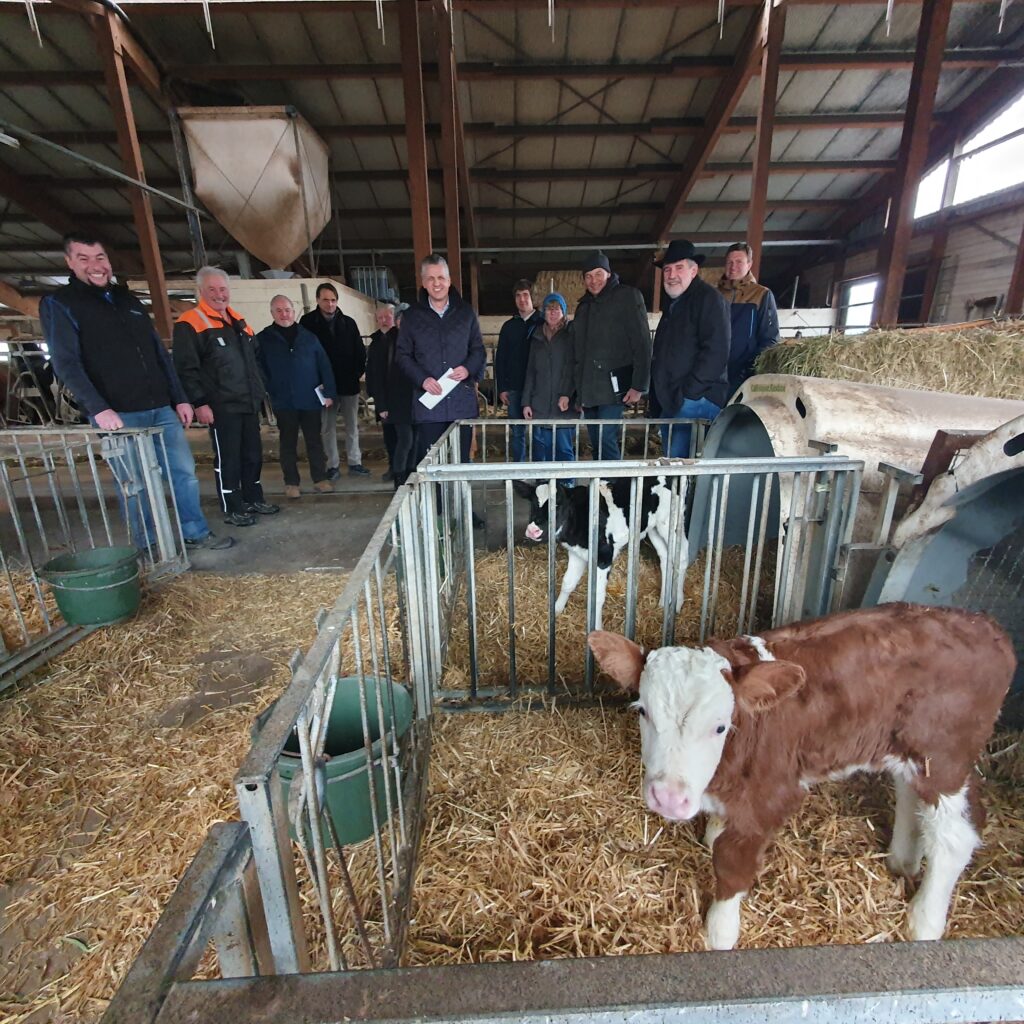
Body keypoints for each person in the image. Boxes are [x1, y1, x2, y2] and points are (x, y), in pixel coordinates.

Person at [40, 234, 232, 550]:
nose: (95, 266)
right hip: (118, 412)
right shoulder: (61, 304)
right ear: (69, 262)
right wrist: (98, 408)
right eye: (84, 258)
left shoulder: (127, 300)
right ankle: (148, 544)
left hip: (160, 405)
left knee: (184, 472)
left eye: (99, 257)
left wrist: (179, 397)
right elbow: (65, 362)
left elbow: (158, 352)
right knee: (136, 483)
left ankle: (194, 531)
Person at [173, 267, 278, 528]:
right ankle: (231, 505)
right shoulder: (191, 323)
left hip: (248, 400)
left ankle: (253, 497)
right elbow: (186, 367)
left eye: (223, 289)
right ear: (200, 292)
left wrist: (260, 387)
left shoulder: (239, 321)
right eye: (212, 290)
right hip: (221, 405)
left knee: (252, 453)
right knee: (228, 456)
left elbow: (254, 359)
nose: (219, 295)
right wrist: (199, 402)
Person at [396, 253, 485, 468]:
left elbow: (478, 350)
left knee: (461, 464)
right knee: (433, 465)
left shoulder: (465, 313)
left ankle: (461, 502)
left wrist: (467, 368)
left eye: (441, 278)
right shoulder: (412, 317)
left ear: (449, 280)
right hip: (430, 407)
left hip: (461, 403)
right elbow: (402, 355)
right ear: (424, 283)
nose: (437, 283)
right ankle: (437, 503)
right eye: (431, 278)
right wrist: (422, 380)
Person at [560, 250, 651, 460]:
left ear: (608, 274)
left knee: (605, 438)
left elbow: (643, 343)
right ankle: (601, 488)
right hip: (589, 389)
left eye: (598, 274)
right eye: (588, 276)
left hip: (614, 387)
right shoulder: (584, 307)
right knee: (595, 438)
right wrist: (574, 391)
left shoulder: (628, 296)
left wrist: (639, 385)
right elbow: (577, 354)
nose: (594, 281)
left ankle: (614, 486)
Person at [650, 239, 731, 458]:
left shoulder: (708, 300)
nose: (671, 275)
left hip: (696, 400)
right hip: (675, 400)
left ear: (693, 270)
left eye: (679, 268)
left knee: (680, 468)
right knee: (673, 464)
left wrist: (689, 393)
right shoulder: (674, 306)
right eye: (667, 269)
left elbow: (716, 351)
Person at [255, 295, 337, 500]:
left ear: (294, 311)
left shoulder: (308, 337)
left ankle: (320, 478)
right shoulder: (264, 339)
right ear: (272, 313)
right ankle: (291, 482)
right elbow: (257, 367)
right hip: (283, 400)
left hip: (309, 399)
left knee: (314, 441)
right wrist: (268, 388)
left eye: (288, 310)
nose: (284, 314)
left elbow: (324, 365)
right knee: (287, 442)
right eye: (279, 310)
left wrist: (329, 393)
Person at [299, 282, 369, 479]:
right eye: (325, 300)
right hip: (323, 386)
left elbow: (359, 352)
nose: (330, 304)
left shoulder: (349, 323)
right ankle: (333, 465)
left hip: (348, 383)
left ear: (337, 301)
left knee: (352, 425)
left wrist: (356, 373)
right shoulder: (307, 323)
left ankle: (355, 462)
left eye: (333, 300)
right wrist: (314, 381)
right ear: (318, 300)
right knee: (327, 427)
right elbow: (305, 355)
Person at [716, 241, 780, 398]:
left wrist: (752, 369)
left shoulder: (761, 295)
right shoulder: (715, 295)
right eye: (729, 262)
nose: (733, 266)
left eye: (739, 262)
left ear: (749, 264)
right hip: (714, 372)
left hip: (743, 373)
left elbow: (770, 337)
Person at [365, 303, 417, 489]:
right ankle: (398, 475)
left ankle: (408, 473)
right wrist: (381, 404)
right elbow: (375, 376)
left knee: (411, 439)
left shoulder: (404, 340)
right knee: (399, 439)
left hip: (409, 400)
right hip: (392, 401)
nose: (384, 320)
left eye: (388, 316)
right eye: (381, 317)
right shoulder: (378, 343)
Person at [522, 293, 575, 468]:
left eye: (556, 309)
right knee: (540, 449)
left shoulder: (571, 335)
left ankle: (566, 487)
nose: (552, 313)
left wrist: (567, 394)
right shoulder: (536, 337)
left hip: (563, 404)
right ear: (543, 312)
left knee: (563, 448)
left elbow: (573, 367)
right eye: (548, 309)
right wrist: (526, 402)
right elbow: (530, 371)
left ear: (564, 311)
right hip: (540, 403)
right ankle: (542, 487)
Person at [494, 279, 542, 462]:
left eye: (526, 295)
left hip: (538, 389)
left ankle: (540, 473)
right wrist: (502, 388)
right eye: (518, 296)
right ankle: (519, 471)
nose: (522, 299)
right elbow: (501, 359)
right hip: (514, 386)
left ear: (532, 297)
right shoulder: (509, 326)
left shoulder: (542, 323)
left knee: (538, 432)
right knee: (517, 432)